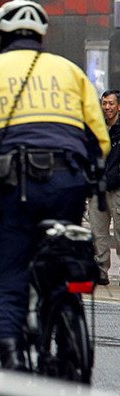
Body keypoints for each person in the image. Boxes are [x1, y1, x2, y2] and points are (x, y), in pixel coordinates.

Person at [0, 0, 110, 370]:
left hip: (14, 188)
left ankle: (10, 353)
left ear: (1, 36)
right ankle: (66, 323)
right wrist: (95, 178)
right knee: (63, 263)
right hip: (69, 186)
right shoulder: (71, 72)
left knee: (5, 274)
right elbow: (99, 136)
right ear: (42, 35)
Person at [87, 89, 120, 285]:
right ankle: (100, 271)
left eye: (110, 103)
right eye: (104, 103)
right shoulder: (98, 129)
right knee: (97, 232)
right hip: (97, 188)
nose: (107, 107)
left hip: (116, 189)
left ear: (119, 106)